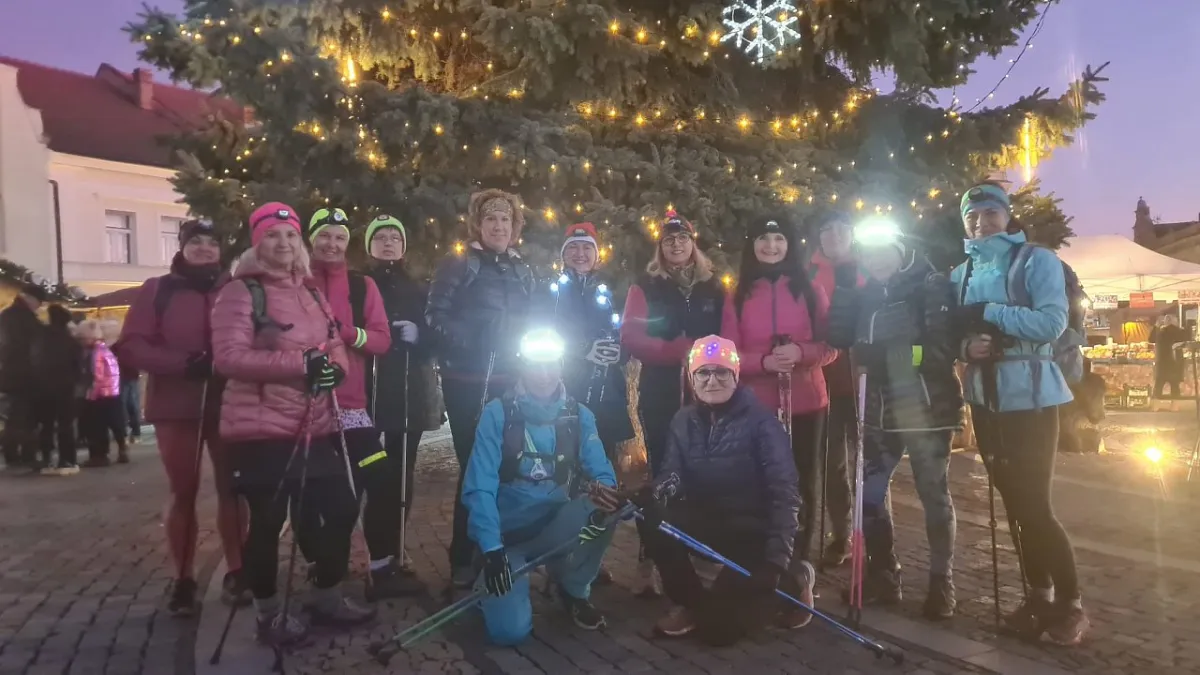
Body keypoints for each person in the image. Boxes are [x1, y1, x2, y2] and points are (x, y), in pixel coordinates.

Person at [212, 202, 373, 647]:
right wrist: (301, 364)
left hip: (313, 424)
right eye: (272, 235)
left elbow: (334, 344)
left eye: (289, 235)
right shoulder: (241, 292)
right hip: (260, 430)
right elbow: (229, 358)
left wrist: (334, 370)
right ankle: (268, 613)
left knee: (341, 507)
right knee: (267, 524)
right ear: (257, 242)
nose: (282, 243)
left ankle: (326, 595)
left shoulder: (310, 291)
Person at [953, 182, 1089, 645]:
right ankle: (1038, 595)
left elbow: (1051, 322)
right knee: (1013, 505)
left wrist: (991, 313)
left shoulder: (1037, 261)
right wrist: (967, 347)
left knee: (1034, 505)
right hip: (985, 400)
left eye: (990, 213)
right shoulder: (962, 272)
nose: (981, 223)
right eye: (972, 216)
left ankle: (1071, 603)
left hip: (1032, 398)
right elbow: (952, 332)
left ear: (1006, 215)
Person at [826, 217, 962, 620]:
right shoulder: (864, 292)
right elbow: (837, 336)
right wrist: (845, 289)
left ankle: (941, 580)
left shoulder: (930, 285)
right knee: (868, 495)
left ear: (900, 250)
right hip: (879, 410)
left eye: (885, 251)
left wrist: (895, 356)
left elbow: (943, 349)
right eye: (869, 254)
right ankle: (884, 572)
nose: (877, 259)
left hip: (926, 407)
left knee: (933, 495)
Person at [115, 218, 247, 614]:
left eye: (212, 242)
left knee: (232, 488)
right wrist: (183, 363)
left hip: (228, 402)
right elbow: (131, 345)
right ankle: (183, 578)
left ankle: (237, 570)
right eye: (196, 242)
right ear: (182, 246)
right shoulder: (158, 290)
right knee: (183, 490)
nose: (205, 248)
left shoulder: (236, 289)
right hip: (176, 406)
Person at [641, 335, 804, 646]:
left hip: (753, 531)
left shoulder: (762, 424)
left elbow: (785, 494)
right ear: (692, 378)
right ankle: (692, 603)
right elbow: (674, 473)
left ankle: (795, 579)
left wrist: (775, 561)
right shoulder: (683, 420)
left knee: (720, 633)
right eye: (703, 372)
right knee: (651, 516)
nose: (712, 380)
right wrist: (656, 492)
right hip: (711, 520)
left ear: (735, 375)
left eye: (721, 372)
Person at [462, 327, 621, 645]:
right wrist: (491, 549)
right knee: (508, 633)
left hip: (556, 526)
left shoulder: (579, 415)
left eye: (551, 364)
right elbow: (479, 487)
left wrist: (611, 493)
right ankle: (487, 578)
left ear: (562, 365)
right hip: (508, 539)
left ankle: (573, 589)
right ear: (522, 365)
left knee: (607, 505)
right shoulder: (496, 414)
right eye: (536, 365)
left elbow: (603, 473)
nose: (544, 374)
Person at [720, 213, 834, 627]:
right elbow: (728, 353)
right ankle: (763, 567)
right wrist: (763, 362)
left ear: (790, 245)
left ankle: (798, 573)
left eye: (779, 239)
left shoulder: (810, 289)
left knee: (801, 487)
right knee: (759, 488)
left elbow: (830, 345)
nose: (771, 246)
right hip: (757, 408)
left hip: (805, 404)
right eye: (764, 239)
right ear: (752, 245)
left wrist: (801, 353)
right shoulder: (736, 295)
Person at [427, 189, 534, 587]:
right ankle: (462, 556)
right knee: (476, 465)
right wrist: (473, 339)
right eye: (491, 219)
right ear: (478, 224)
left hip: (511, 380)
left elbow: (533, 314)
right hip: (468, 380)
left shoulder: (521, 269)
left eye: (505, 220)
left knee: (507, 465)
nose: (499, 226)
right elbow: (435, 315)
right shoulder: (459, 264)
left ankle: (496, 547)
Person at [305, 207, 407, 599]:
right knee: (313, 495)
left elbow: (381, 340)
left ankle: (381, 565)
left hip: (351, 410)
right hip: (306, 408)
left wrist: (346, 332)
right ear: (311, 239)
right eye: (324, 235)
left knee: (379, 479)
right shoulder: (295, 281)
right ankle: (323, 567)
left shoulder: (362, 285)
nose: (332, 244)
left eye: (340, 238)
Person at [620, 210, 725, 595]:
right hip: (661, 391)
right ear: (660, 247)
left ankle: (697, 555)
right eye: (669, 240)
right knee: (663, 476)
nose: (677, 245)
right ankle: (649, 558)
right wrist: (674, 350)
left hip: (707, 394)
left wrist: (705, 358)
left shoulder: (713, 288)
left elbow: (728, 336)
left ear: (693, 244)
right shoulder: (646, 287)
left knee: (703, 476)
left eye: (683, 239)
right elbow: (631, 336)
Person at [540, 222, 635, 585]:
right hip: (567, 394)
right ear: (564, 254)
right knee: (564, 476)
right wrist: (583, 351)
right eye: (574, 247)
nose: (581, 254)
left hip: (605, 398)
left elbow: (622, 334)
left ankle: (589, 557)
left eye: (587, 248)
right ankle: (557, 556)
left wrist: (618, 352)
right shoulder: (551, 293)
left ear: (597, 255)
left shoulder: (604, 292)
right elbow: (543, 336)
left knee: (600, 478)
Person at [365, 214, 440, 581]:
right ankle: (371, 546)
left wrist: (420, 335)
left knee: (401, 472)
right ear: (370, 245)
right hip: (367, 391)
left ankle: (395, 543)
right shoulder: (360, 284)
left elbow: (436, 336)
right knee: (368, 471)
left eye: (395, 237)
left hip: (408, 392)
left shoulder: (420, 288)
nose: (388, 242)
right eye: (381, 237)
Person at [807, 210, 862, 567]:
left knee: (869, 467)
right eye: (827, 229)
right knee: (832, 466)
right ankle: (842, 535)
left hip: (863, 382)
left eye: (841, 228)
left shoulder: (868, 268)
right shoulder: (808, 275)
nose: (835, 235)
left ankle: (872, 538)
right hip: (824, 384)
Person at [31, 304, 83, 475]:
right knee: (65, 425)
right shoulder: (71, 342)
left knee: (46, 425)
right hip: (65, 389)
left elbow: (33, 361)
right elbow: (79, 367)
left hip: (42, 388)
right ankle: (67, 460)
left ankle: (46, 459)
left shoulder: (39, 339)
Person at [1, 282, 47, 471]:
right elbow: (32, 346)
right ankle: (24, 456)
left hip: (12, 375)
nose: (39, 306)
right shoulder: (23, 318)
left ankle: (15, 455)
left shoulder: (8, 315)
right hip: (24, 376)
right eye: (39, 302)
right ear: (31, 299)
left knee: (16, 417)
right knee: (25, 418)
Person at [76, 319, 127, 467]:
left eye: (82, 338)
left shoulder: (95, 353)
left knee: (98, 427)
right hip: (113, 392)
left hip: (101, 394)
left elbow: (97, 376)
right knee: (116, 423)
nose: (81, 342)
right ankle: (122, 448)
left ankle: (100, 456)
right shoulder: (106, 350)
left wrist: (89, 395)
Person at [1151, 314, 1189, 398]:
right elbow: (1188, 341)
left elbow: (1151, 339)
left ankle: (1155, 403)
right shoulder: (1179, 331)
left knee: (1158, 386)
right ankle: (1175, 403)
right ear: (1174, 321)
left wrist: (1156, 326)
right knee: (1175, 386)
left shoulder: (1161, 332)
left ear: (1166, 321)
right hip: (1174, 362)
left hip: (1162, 363)